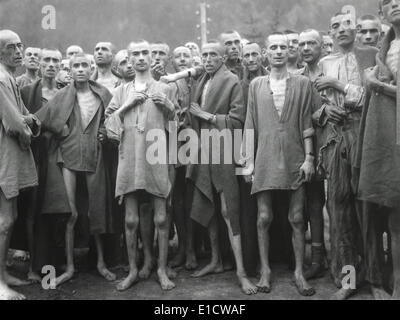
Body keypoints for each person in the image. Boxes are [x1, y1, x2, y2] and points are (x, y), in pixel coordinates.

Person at [242, 32, 316, 296]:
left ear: (289, 51)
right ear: (266, 52)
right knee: (263, 217)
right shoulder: (256, 85)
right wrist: (247, 163)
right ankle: (265, 271)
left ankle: (298, 272)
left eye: (283, 47)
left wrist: (309, 158)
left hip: (296, 156)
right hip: (264, 157)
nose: (278, 52)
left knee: (296, 218)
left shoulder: (303, 83)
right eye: (273, 47)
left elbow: (307, 123)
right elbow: (250, 124)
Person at [36, 53, 116, 287]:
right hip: (68, 155)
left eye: (84, 65)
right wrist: (58, 129)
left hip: (95, 154)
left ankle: (101, 262)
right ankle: (70, 267)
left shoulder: (103, 93)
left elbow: (114, 118)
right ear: (69, 70)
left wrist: (105, 131)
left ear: (91, 68)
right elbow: (40, 120)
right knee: (71, 213)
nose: (80, 69)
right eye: (76, 66)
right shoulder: (62, 95)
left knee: (96, 210)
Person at [104, 40, 177, 291]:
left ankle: (161, 269)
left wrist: (165, 104)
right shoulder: (121, 91)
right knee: (131, 220)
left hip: (156, 156)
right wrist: (129, 104)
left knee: (160, 217)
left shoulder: (165, 88)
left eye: (145, 52)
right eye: (135, 54)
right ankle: (134, 270)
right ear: (130, 59)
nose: (141, 57)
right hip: (130, 158)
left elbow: (176, 123)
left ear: (150, 57)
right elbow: (110, 125)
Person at [186, 40, 257, 295]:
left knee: (229, 211)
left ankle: (241, 272)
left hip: (225, 151)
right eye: (204, 55)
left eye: (213, 54)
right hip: (202, 151)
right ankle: (216, 261)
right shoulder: (200, 81)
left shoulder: (232, 81)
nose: (207, 58)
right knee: (210, 205)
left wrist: (207, 116)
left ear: (223, 57)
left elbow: (238, 120)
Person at [315, 12, 377, 300]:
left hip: (365, 135)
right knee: (340, 210)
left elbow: (369, 97)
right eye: (335, 25)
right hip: (335, 138)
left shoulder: (371, 57)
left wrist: (338, 85)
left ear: (357, 29)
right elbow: (314, 108)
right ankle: (349, 278)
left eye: (347, 25)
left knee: (367, 209)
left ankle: (376, 276)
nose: (342, 30)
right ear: (330, 32)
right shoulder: (324, 63)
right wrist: (325, 111)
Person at [357, 0, 400, 300]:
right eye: (388, 1)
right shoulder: (386, 48)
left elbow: (381, 86)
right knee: (394, 216)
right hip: (387, 139)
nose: (396, 4)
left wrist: (376, 85)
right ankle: (394, 283)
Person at [0, 29, 40, 300]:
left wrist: (30, 122)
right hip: (5, 154)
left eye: (19, 45)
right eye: (10, 47)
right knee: (4, 220)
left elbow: (24, 114)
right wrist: (28, 134)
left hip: (10, 154)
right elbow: (15, 123)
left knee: (10, 217)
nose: (17, 51)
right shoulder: (1, 78)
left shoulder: (9, 77)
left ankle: (3, 274)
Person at [19, 48, 63, 282]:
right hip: (34, 155)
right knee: (32, 209)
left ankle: (57, 260)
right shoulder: (26, 92)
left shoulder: (66, 93)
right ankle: (34, 265)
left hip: (60, 156)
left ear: (60, 64)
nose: (50, 64)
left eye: (56, 60)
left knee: (58, 209)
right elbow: (20, 122)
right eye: (46, 59)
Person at [298, 29, 328, 279]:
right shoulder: (297, 77)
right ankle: (318, 257)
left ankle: (350, 260)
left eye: (311, 43)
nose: (306, 48)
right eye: (302, 44)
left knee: (341, 206)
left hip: (335, 142)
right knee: (314, 201)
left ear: (322, 46)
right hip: (308, 146)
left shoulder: (330, 72)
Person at [167, 46, 198, 270]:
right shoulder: (169, 84)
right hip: (176, 143)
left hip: (202, 142)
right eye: (177, 57)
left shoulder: (199, 78)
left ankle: (197, 248)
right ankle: (184, 248)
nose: (182, 59)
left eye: (185, 56)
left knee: (195, 197)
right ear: (173, 61)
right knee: (178, 199)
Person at [239, 42, 268, 276]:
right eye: (246, 55)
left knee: (274, 206)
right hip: (246, 149)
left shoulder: (271, 80)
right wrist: (246, 160)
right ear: (242, 59)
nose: (251, 59)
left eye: (254, 54)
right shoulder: (240, 85)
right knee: (249, 208)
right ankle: (252, 262)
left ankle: (279, 256)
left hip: (271, 150)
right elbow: (242, 124)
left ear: (262, 56)